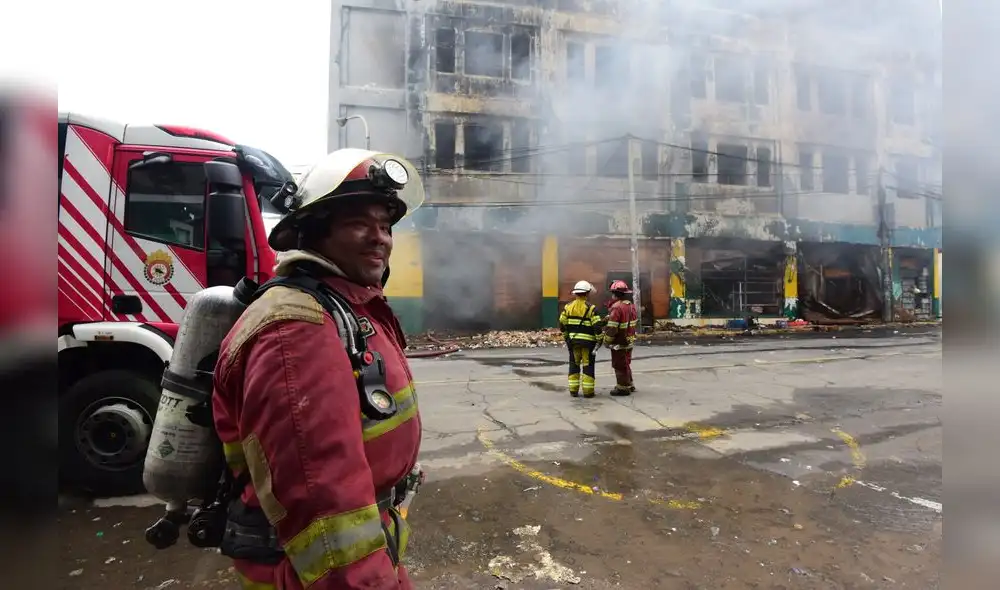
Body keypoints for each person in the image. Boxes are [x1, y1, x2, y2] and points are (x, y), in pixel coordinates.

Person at [212, 149, 425, 589]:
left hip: (365, 549)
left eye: (385, 226)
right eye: (358, 224)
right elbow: (324, 501)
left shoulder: (341, 306)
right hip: (317, 573)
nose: (380, 238)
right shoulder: (297, 328)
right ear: (312, 234)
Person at [559, 280, 602, 397]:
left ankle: (573, 391)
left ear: (576, 293)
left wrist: (567, 338)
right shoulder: (592, 309)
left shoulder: (567, 307)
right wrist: (600, 339)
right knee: (588, 366)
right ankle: (588, 392)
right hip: (588, 344)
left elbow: (562, 324)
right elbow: (597, 326)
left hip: (573, 342)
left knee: (574, 365)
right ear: (587, 293)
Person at [603, 280, 638, 396]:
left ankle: (623, 388)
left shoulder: (617, 307)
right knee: (626, 363)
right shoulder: (631, 306)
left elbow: (613, 328)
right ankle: (630, 383)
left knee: (619, 364)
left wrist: (606, 341)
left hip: (619, 341)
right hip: (629, 339)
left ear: (614, 293)